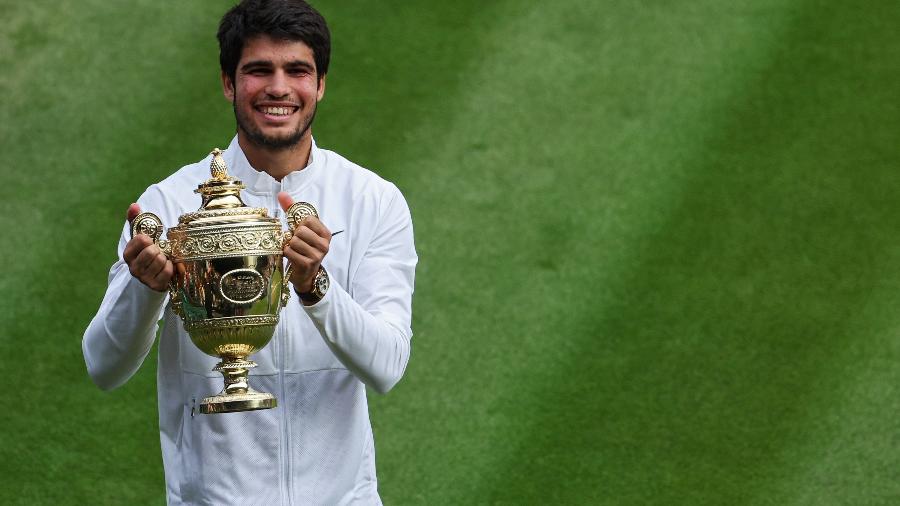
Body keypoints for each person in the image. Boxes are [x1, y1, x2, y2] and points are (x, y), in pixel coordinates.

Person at [82, 1, 417, 504]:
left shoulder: (373, 200)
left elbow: (387, 365)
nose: (278, 88)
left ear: (320, 84)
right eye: (258, 70)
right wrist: (145, 288)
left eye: (297, 71)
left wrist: (315, 288)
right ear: (228, 84)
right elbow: (103, 366)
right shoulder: (170, 205)